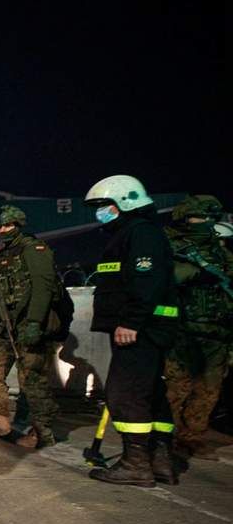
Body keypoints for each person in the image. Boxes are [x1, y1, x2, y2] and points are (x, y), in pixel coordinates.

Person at [84, 175, 179, 487]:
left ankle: (136, 462)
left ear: (124, 202)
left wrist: (131, 321)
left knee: (125, 394)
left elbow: (145, 280)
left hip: (140, 329)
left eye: (104, 206)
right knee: (151, 392)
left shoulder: (139, 234)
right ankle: (159, 459)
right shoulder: (138, 233)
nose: (100, 212)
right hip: (149, 328)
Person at [0, 204, 63, 448]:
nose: (3, 229)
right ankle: (0, 420)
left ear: (18, 224)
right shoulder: (1, 255)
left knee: (32, 380)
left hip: (28, 323)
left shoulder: (34, 249)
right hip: (2, 327)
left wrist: (34, 322)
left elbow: (43, 287)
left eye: (7, 225)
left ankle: (42, 431)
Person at [163, 195, 233, 462]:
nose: (207, 223)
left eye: (211, 218)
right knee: (177, 388)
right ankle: (169, 436)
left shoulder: (219, 249)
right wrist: (190, 271)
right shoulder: (170, 246)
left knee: (209, 389)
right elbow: (166, 278)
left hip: (216, 330)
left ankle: (193, 437)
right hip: (182, 330)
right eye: (201, 217)